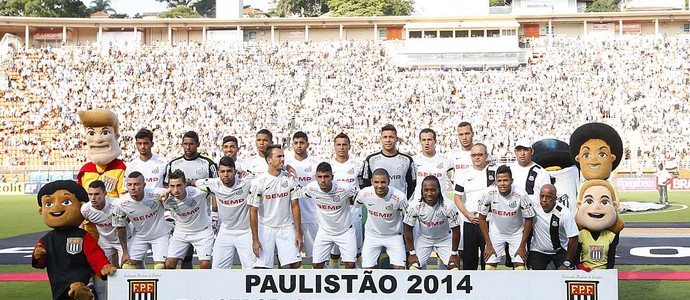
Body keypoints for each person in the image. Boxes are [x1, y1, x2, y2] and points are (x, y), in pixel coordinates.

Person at [163, 130, 217, 269]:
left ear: (197, 144)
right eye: (185, 144)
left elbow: (216, 188)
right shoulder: (173, 164)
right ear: (182, 144)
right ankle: (181, 289)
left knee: (204, 263)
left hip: (201, 216)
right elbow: (166, 188)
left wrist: (215, 214)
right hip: (182, 221)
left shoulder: (208, 163)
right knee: (182, 259)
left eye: (191, 144)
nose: (188, 147)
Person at [191, 156, 256, 269]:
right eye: (223, 171)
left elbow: (268, 178)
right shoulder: (213, 184)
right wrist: (167, 191)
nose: (226, 174)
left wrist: (286, 167)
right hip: (226, 231)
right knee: (217, 269)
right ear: (218, 172)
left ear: (235, 171)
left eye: (229, 171)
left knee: (251, 269)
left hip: (245, 232)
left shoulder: (246, 181)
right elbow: (191, 182)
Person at [249, 144, 303, 269]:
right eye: (279, 156)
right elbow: (253, 211)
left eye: (283, 156)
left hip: (286, 227)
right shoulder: (258, 182)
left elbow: (295, 206)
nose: (282, 159)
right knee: (261, 267)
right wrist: (255, 239)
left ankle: (287, 288)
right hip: (266, 228)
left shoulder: (289, 179)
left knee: (295, 263)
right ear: (269, 160)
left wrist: (298, 233)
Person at [299, 162, 358, 269]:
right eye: (320, 177)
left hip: (345, 231)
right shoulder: (311, 188)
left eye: (326, 176)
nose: (323, 180)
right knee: (317, 265)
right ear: (315, 177)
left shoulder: (345, 189)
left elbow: (357, 200)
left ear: (332, 177)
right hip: (324, 231)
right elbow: (297, 194)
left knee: (350, 265)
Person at [478, 165, 535, 270]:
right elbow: (481, 218)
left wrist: (522, 245)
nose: (502, 184)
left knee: (520, 268)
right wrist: (488, 244)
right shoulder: (488, 193)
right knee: (489, 268)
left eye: (505, 180)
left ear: (511, 181)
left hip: (516, 234)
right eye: (499, 181)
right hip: (496, 233)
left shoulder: (521, 194)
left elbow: (529, 219)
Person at [112, 172, 171, 270]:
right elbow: (120, 228)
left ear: (144, 185)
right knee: (127, 266)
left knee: (160, 267)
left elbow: (175, 189)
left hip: (160, 235)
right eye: (129, 184)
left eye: (136, 184)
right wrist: (125, 252)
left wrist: (167, 191)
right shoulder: (120, 204)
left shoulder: (156, 193)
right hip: (140, 236)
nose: (132, 188)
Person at [355, 168, 409, 269]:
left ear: (388, 181)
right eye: (376, 182)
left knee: (400, 269)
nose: (379, 186)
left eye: (383, 182)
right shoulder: (364, 194)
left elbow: (408, 218)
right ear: (371, 182)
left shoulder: (399, 197)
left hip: (394, 236)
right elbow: (357, 204)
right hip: (372, 236)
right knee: (367, 270)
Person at [161, 170, 215, 269]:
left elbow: (216, 185)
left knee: (205, 265)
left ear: (185, 184)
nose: (176, 190)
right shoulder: (166, 198)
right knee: (169, 264)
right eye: (172, 186)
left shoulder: (198, 192)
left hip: (203, 232)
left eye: (179, 185)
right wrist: (166, 192)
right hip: (181, 232)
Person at [404, 176, 461, 270]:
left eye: (433, 190)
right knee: (413, 268)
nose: (429, 193)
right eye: (426, 190)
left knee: (454, 268)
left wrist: (454, 254)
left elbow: (456, 230)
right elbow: (408, 229)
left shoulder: (448, 205)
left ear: (439, 190)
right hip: (424, 239)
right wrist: (412, 253)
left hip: (444, 239)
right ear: (421, 191)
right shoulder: (414, 206)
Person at [453, 143, 494, 270]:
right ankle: (470, 290)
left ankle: (486, 288)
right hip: (470, 221)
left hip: (489, 222)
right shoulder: (463, 174)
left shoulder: (494, 171)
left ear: (486, 155)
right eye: (474, 155)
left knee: (487, 261)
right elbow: (457, 198)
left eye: (480, 154)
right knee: (469, 261)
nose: (477, 157)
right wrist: (467, 214)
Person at [285, 131, 321, 262]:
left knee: (316, 258)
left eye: (302, 143)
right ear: (292, 145)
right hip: (291, 217)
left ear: (307, 144)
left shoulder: (315, 163)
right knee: (292, 259)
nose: (299, 146)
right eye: (296, 143)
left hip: (312, 215)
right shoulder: (285, 164)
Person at [329, 133, 363, 269]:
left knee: (357, 250)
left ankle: (359, 280)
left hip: (354, 212)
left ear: (349, 146)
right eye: (338, 144)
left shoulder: (358, 165)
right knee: (334, 253)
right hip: (335, 214)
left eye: (344, 144)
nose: (341, 147)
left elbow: (363, 186)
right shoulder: (329, 166)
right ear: (334, 146)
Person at [528, 184, 578, 270]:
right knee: (533, 278)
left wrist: (567, 263)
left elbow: (573, 238)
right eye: (542, 196)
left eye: (548, 197)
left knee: (566, 275)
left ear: (555, 199)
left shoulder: (564, 213)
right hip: (538, 250)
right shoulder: (534, 205)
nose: (544, 200)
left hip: (559, 250)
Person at [360, 124, 416, 199]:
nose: (388, 140)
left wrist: (404, 200)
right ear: (381, 139)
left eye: (391, 137)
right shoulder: (371, 159)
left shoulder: (407, 160)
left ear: (396, 139)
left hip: (398, 206)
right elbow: (365, 183)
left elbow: (412, 184)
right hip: (377, 205)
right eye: (385, 137)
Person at [413, 128, 454, 199]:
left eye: (429, 139)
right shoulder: (414, 161)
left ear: (435, 141)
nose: (426, 143)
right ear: (420, 142)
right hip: (419, 205)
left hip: (441, 205)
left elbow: (455, 181)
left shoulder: (447, 160)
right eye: (423, 140)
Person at [510, 138, 551, 203]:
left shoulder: (541, 173)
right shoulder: (509, 170)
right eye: (519, 150)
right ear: (515, 152)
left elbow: (548, 195)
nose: (522, 153)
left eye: (526, 150)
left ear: (532, 152)